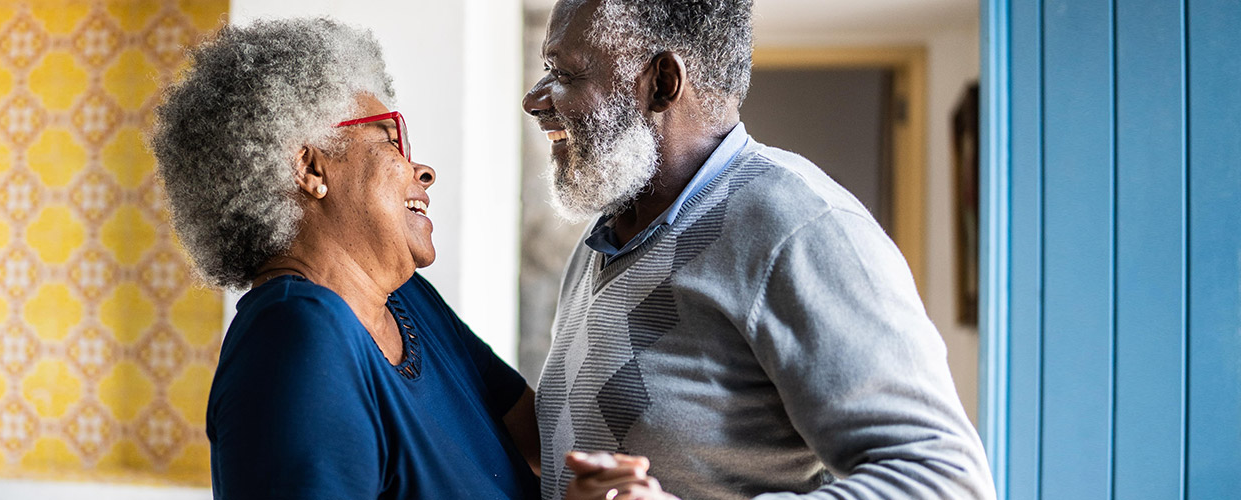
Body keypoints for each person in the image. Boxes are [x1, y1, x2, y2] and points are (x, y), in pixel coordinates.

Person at [150, 18, 659, 499]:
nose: (423, 170)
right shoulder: (293, 339)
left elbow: (546, 443)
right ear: (311, 168)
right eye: (390, 138)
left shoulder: (406, 299)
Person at [521, 1, 998, 499]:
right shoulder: (604, 237)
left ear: (662, 82)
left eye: (564, 72)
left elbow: (945, 481)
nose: (535, 100)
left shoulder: (800, 226)